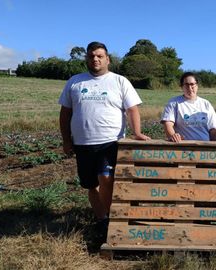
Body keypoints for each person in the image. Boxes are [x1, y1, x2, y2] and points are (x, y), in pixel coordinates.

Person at [59, 41, 150, 232]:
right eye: (91, 56)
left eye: (100, 56)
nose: (95, 59)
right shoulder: (75, 82)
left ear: (107, 59)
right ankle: (102, 219)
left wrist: (137, 133)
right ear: (86, 58)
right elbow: (65, 113)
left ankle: (113, 219)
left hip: (110, 142)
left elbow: (132, 109)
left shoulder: (119, 81)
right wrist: (67, 140)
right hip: (82, 143)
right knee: (90, 184)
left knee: (106, 178)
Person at [160, 72, 216, 142]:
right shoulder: (174, 103)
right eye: (186, 85)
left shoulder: (206, 104)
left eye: (192, 84)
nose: (190, 87)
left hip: (204, 148)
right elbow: (168, 124)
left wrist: (213, 147)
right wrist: (173, 135)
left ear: (197, 86)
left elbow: (213, 128)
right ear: (182, 86)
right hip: (184, 148)